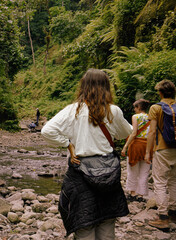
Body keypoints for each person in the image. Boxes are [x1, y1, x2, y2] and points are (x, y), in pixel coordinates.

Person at [41, 69, 132, 239]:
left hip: (80, 173)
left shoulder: (72, 110)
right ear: (106, 87)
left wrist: (67, 144)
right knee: (106, 223)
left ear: (83, 86)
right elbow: (126, 133)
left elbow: (47, 130)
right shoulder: (114, 111)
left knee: (84, 224)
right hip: (109, 174)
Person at [145, 79, 176, 230]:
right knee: (174, 181)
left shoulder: (155, 108)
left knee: (160, 182)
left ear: (160, 92)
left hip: (162, 149)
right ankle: (174, 212)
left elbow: (151, 132)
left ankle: (163, 217)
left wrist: (147, 152)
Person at [121, 99, 152, 202]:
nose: (134, 109)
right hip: (147, 146)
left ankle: (132, 193)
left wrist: (125, 146)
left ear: (139, 107)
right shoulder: (151, 117)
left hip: (136, 145)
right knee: (144, 171)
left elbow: (134, 133)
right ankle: (141, 195)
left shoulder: (135, 117)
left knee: (132, 170)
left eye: (135, 107)